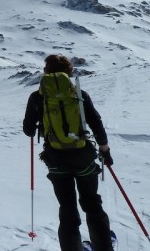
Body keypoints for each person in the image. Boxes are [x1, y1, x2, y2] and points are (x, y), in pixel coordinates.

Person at [23, 54, 114, 251]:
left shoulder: (37, 96)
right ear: (69, 71)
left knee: (68, 210)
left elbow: (28, 130)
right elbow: (96, 122)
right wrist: (104, 150)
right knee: (92, 205)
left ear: (46, 71)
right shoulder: (78, 94)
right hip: (84, 159)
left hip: (56, 161)